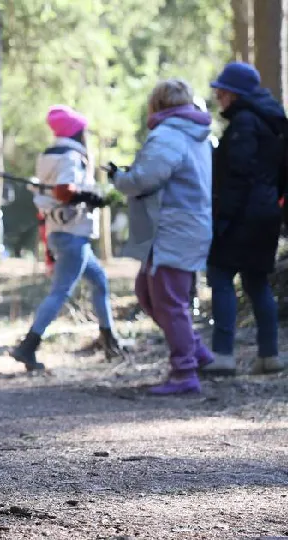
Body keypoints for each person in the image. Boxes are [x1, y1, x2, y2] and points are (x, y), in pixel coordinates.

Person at [109, 79, 214, 395]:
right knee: (147, 291)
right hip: (181, 227)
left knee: (169, 300)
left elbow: (143, 179)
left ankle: (184, 372)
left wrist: (119, 178)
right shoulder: (192, 132)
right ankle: (196, 351)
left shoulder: (169, 134)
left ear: (156, 105)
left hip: (173, 229)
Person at [10, 106, 126, 372]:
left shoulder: (49, 154)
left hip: (61, 231)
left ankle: (109, 341)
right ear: (77, 132)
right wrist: (88, 197)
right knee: (60, 291)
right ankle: (28, 346)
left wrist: (85, 195)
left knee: (100, 282)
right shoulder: (72, 156)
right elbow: (64, 190)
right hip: (73, 234)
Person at [202, 62, 287, 376]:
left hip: (241, 214)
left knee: (221, 277)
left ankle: (223, 355)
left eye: (221, 90)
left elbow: (238, 174)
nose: (218, 96)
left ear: (233, 92)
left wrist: (222, 217)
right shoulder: (273, 121)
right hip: (266, 213)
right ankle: (269, 355)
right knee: (257, 281)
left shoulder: (245, 123)